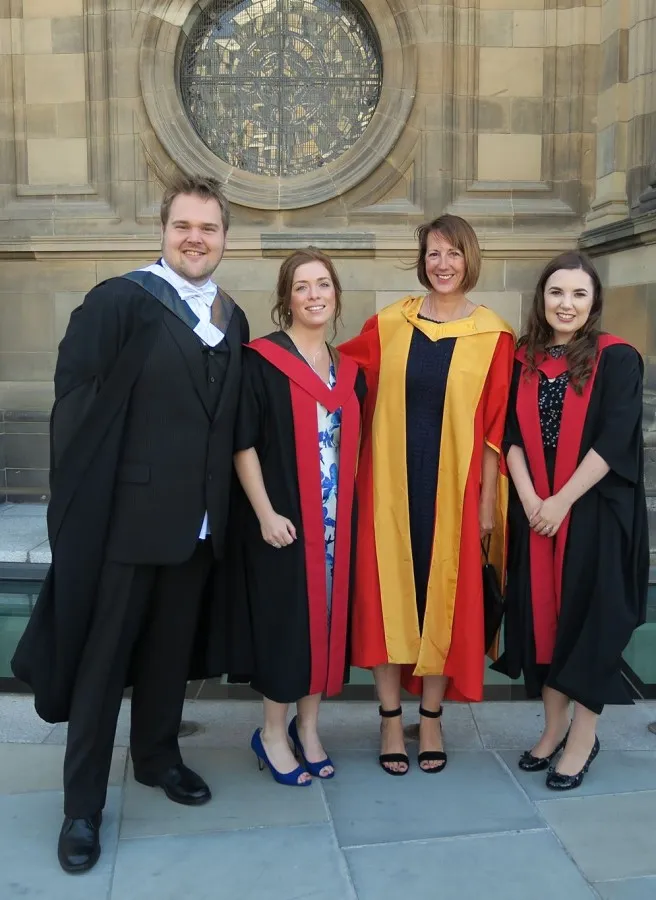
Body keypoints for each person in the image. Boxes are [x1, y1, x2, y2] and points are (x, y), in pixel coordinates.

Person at [11, 175, 250, 872]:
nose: (196, 238)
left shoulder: (230, 317)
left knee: (168, 658)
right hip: (124, 527)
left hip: (198, 527)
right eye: (184, 226)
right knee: (101, 668)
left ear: (224, 238)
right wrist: (85, 516)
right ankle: (81, 806)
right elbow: (75, 411)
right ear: (164, 229)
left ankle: (157, 758)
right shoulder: (118, 302)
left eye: (208, 228)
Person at [339, 215, 514, 775]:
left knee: (446, 602)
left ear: (470, 260)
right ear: (423, 260)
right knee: (387, 602)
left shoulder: (494, 335)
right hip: (388, 490)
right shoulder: (388, 323)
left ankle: (432, 717)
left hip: (456, 495)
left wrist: (487, 504)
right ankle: (392, 719)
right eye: (434, 253)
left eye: (454, 253)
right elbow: (336, 377)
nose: (443, 264)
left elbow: (494, 428)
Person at [493, 251, 648, 790]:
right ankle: (553, 725)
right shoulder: (523, 359)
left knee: (588, 622)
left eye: (579, 294)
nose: (567, 304)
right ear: (542, 298)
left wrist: (561, 501)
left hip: (595, 516)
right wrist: (534, 497)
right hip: (535, 511)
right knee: (542, 622)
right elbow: (508, 436)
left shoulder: (618, 359)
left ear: (594, 302)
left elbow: (615, 440)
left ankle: (583, 736)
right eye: (557, 292)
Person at [233, 248, 365, 785]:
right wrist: (264, 512)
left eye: (323, 285)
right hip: (283, 521)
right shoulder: (261, 361)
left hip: (337, 522)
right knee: (286, 627)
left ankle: (308, 729)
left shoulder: (350, 372)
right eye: (303, 286)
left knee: (326, 629)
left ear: (336, 295)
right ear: (286, 298)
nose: (315, 295)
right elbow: (243, 445)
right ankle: (270, 732)